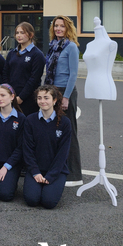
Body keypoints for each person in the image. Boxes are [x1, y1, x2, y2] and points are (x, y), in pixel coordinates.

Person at [45, 15, 83, 187]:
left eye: (62, 26)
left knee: (69, 133)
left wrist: (66, 97)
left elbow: (73, 74)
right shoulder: (53, 46)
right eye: (56, 26)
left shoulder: (71, 47)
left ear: (68, 28)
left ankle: (74, 175)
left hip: (64, 92)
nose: (58, 29)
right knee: (54, 132)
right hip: (52, 91)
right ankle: (57, 169)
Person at [22, 85, 72, 209]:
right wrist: (35, 172)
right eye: (39, 98)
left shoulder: (65, 123)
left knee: (49, 202)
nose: (42, 101)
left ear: (54, 100)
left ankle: (50, 186)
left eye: (46, 97)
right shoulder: (30, 120)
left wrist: (51, 176)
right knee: (32, 200)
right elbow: (27, 149)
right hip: (36, 169)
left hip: (56, 171)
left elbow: (63, 153)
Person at [3, 22, 45, 117]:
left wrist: (21, 98)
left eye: (22, 32)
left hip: (28, 99)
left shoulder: (37, 55)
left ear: (31, 35)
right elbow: (5, 73)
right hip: (11, 97)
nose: (19, 35)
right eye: (17, 33)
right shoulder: (11, 53)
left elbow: (34, 79)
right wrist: (8, 93)